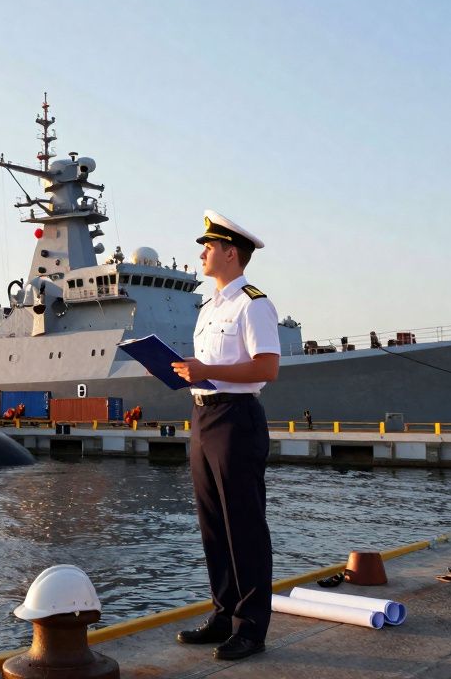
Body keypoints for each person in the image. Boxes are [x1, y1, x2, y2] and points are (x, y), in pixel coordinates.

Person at [170, 209, 280, 662]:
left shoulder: (252, 303)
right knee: (213, 524)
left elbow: (267, 367)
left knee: (244, 526)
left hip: (237, 420)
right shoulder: (210, 307)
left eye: (208, 247)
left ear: (230, 253)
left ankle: (251, 626)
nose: (202, 253)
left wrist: (206, 369)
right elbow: (208, 369)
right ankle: (222, 614)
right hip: (203, 418)